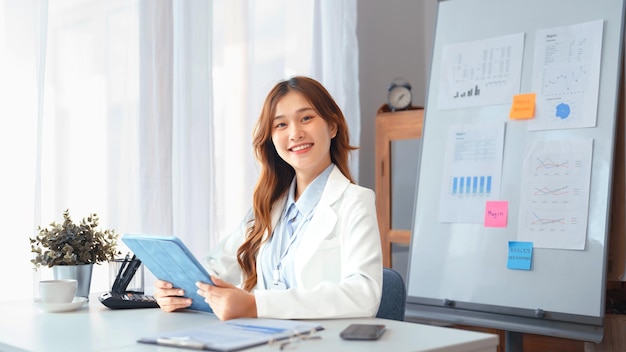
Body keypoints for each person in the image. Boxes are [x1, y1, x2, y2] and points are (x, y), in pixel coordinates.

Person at [153, 76, 382, 320]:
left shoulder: (355, 201)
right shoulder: (268, 206)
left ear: (332, 126)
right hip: (262, 339)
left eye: (306, 118)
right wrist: (177, 289)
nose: (295, 133)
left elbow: (363, 294)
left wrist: (256, 305)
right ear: (271, 139)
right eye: (281, 125)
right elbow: (215, 268)